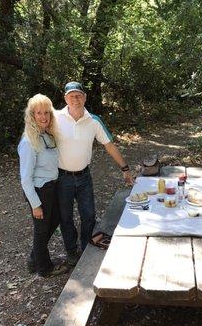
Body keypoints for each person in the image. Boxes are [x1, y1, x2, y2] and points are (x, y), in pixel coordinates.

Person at [56, 81, 134, 266]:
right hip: (61, 177)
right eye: (71, 96)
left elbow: (109, 145)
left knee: (89, 215)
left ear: (85, 97)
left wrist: (125, 168)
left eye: (79, 95)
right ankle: (71, 252)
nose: (75, 99)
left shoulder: (94, 120)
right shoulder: (55, 118)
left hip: (84, 177)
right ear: (65, 98)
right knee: (65, 217)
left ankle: (85, 248)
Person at [18, 94, 68, 277]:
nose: (43, 116)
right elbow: (25, 178)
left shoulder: (46, 135)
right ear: (32, 115)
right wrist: (35, 204)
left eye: (47, 112)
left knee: (53, 220)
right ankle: (44, 268)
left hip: (50, 187)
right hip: (39, 191)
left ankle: (34, 258)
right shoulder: (29, 141)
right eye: (39, 113)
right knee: (41, 230)